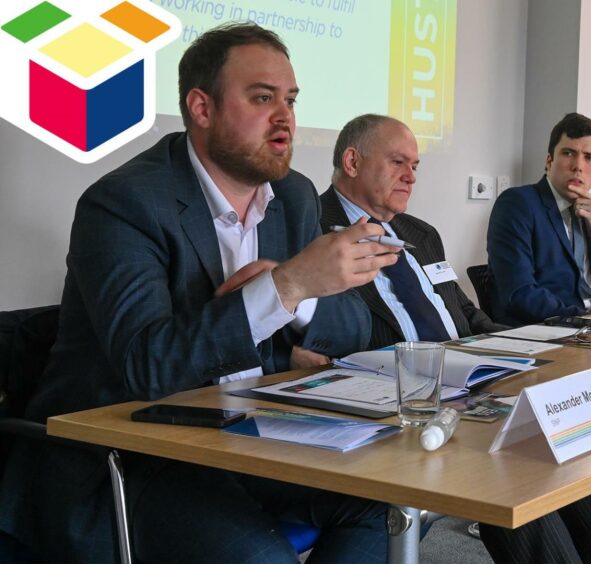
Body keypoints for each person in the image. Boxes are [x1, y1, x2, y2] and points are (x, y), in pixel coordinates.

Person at [0, 23, 400, 562]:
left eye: (291, 99)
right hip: (128, 452)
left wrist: (299, 299)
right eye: (262, 98)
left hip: (253, 431)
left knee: (387, 509)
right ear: (201, 107)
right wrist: (286, 284)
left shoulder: (294, 196)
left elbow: (354, 325)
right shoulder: (123, 203)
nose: (285, 118)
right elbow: (148, 366)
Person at [319, 114, 505, 348]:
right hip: (384, 376)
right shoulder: (310, 230)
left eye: (414, 166)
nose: (411, 177)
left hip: (465, 366)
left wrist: (518, 342)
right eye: (398, 162)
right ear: (353, 163)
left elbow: (462, 310)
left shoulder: (422, 233)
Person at [487, 112, 591, 326]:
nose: (578, 166)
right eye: (568, 153)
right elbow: (519, 293)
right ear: (549, 160)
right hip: (548, 330)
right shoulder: (518, 204)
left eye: (589, 157)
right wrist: (584, 321)